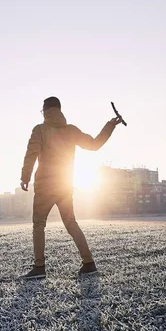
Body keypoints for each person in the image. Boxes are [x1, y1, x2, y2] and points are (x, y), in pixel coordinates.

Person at [19, 96, 122, 279]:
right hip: (65, 185)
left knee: (39, 225)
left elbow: (31, 153)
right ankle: (88, 262)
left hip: (45, 186)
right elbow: (94, 144)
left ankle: (39, 267)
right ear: (60, 110)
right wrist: (110, 126)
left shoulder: (40, 129)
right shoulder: (71, 130)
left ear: (45, 111)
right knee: (71, 222)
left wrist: (25, 177)